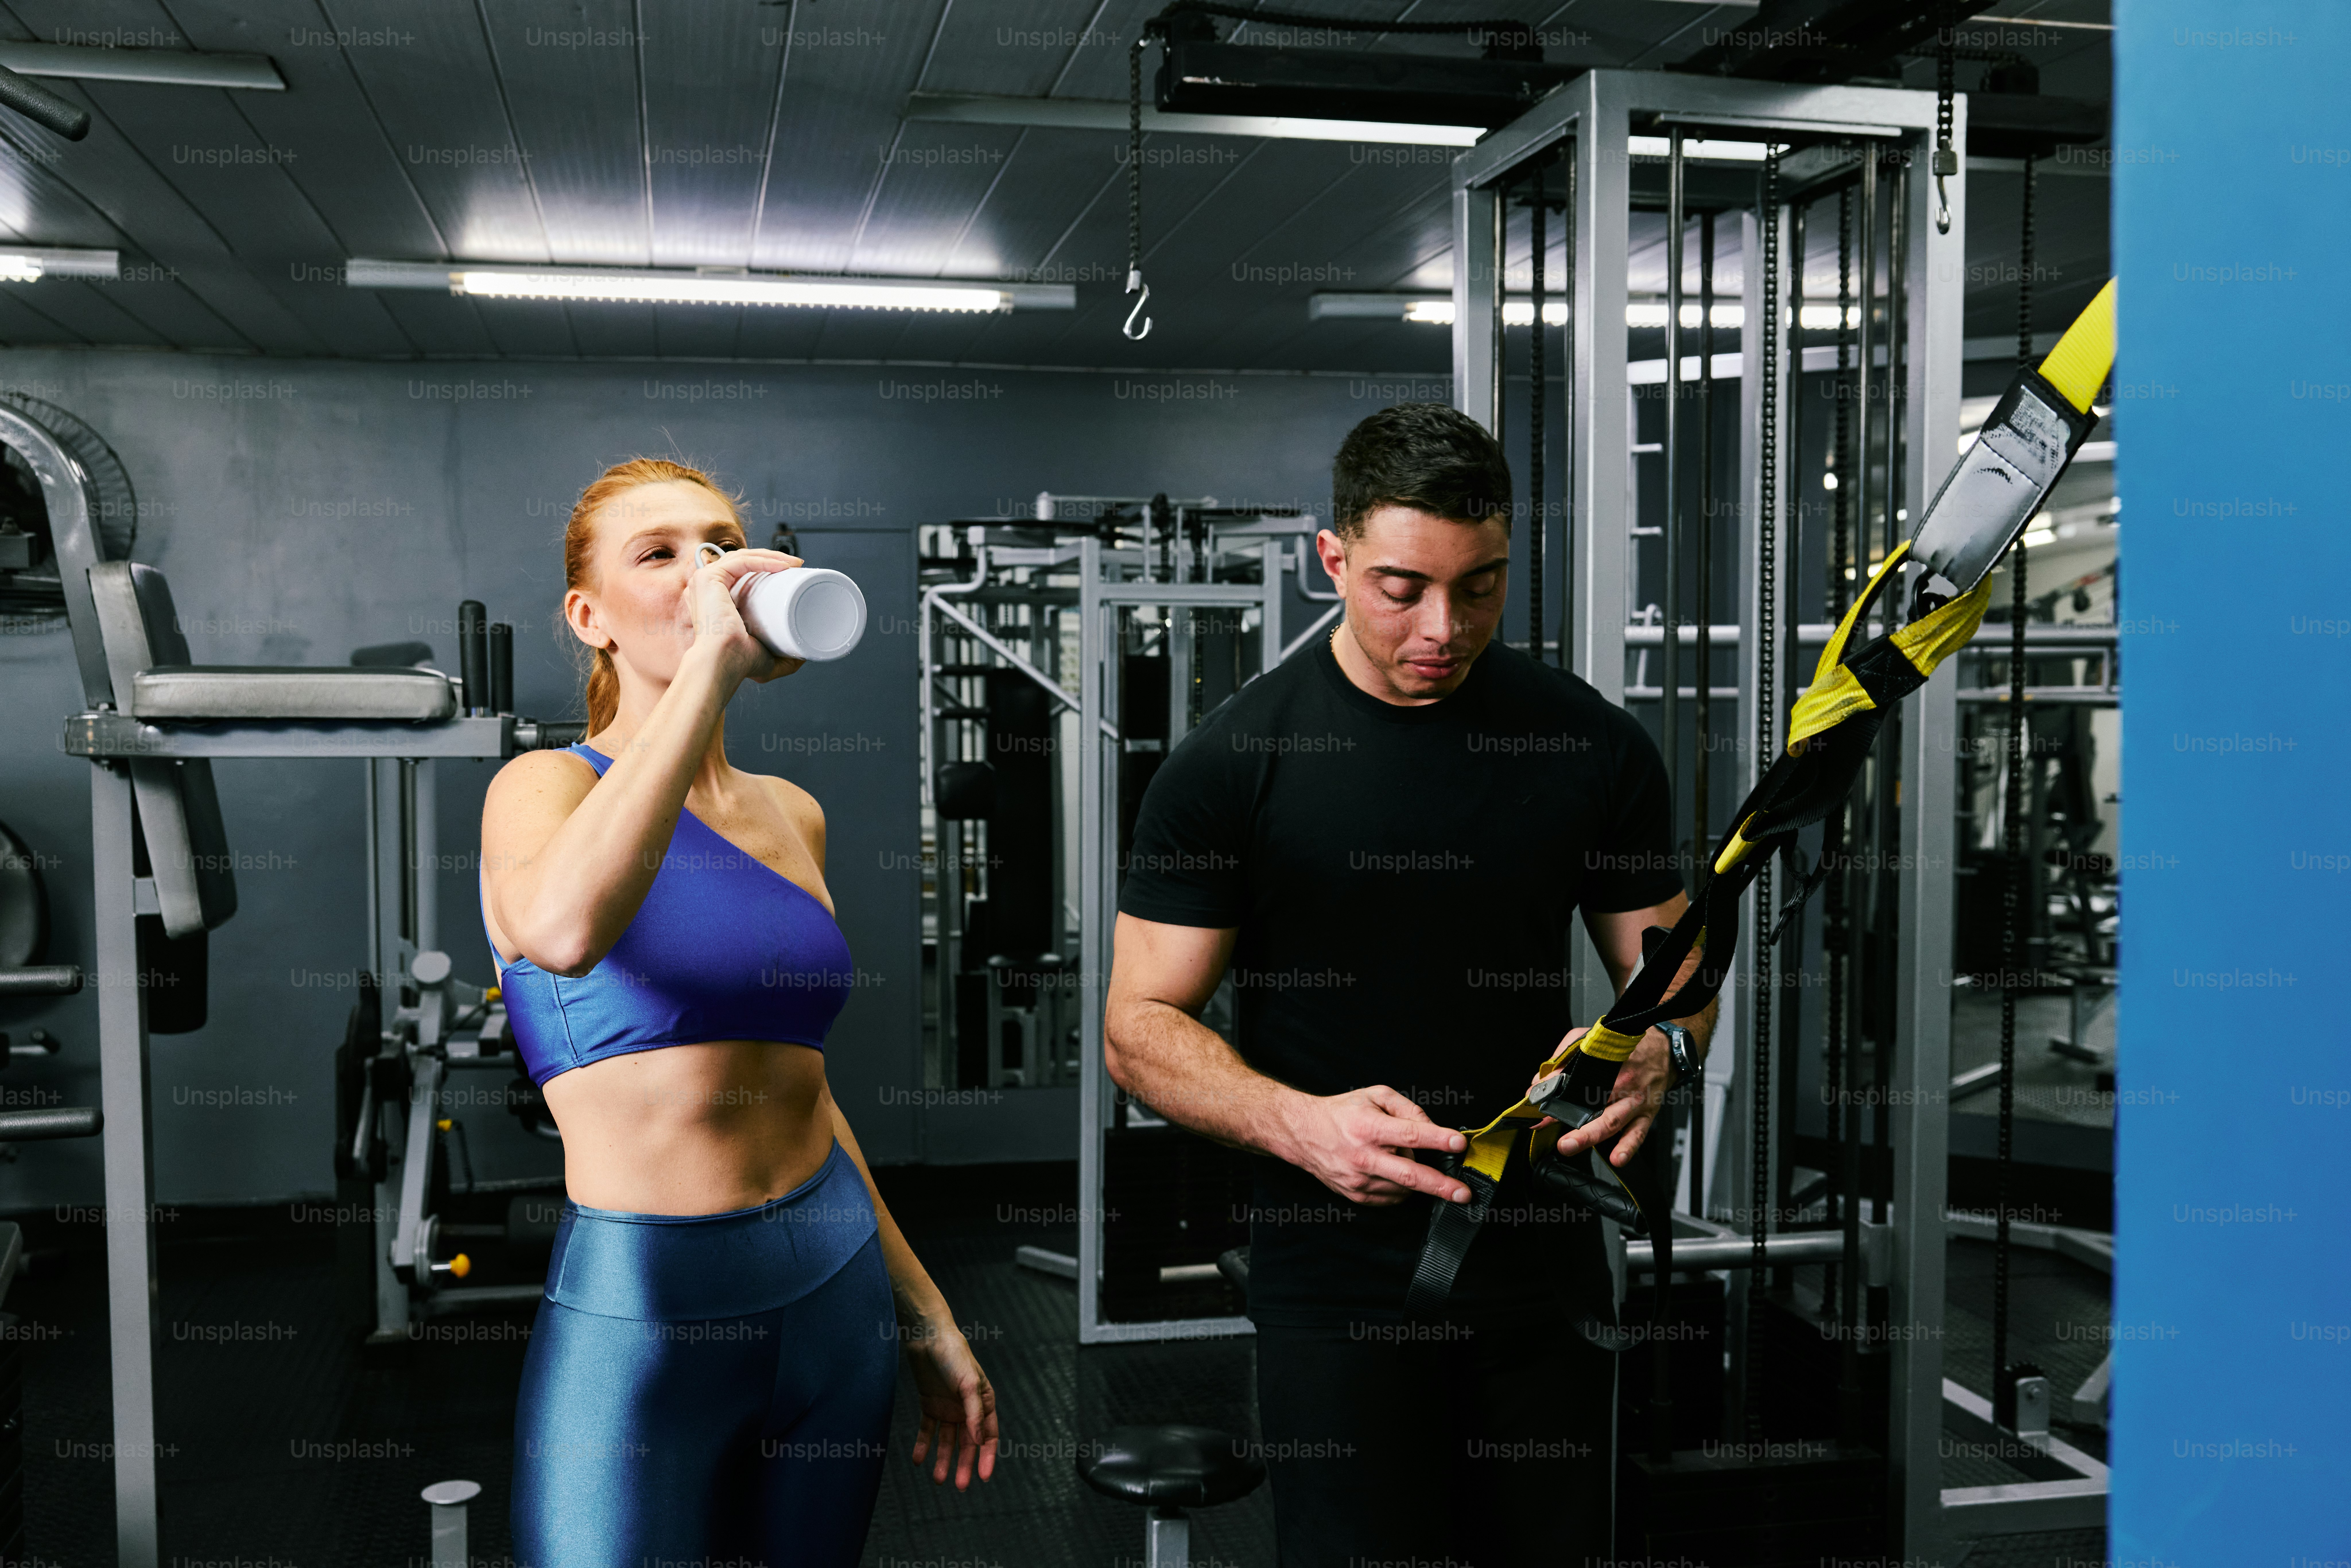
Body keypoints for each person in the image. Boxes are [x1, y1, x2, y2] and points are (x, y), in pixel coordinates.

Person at [1103, 404, 1716, 1565]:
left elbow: (1669, 975)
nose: (1443, 627)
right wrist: (1294, 1122)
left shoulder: (1585, 745)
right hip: (1335, 1273)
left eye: (1479, 587)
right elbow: (1137, 1029)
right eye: (1400, 588)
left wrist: (1663, 1048)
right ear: (1329, 558)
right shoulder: (1233, 763)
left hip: (1539, 1256)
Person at [481, 458, 997, 1566]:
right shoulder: (543, 789)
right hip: (645, 1313)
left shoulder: (790, 814)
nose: (700, 574)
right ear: (591, 616)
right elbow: (564, 931)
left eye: (717, 545)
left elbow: (806, 1098)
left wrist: (927, 1315)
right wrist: (711, 666)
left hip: (833, 1292)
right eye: (657, 555)